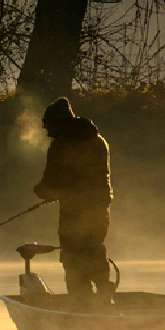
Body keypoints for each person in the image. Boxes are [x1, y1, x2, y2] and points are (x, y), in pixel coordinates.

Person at [34, 97, 114, 309]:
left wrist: (42, 191)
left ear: (60, 123)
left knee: (72, 253)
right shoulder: (98, 141)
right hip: (100, 206)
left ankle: (82, 303)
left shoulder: (60, 146)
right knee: (94, 248)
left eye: (48, 124)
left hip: (73, 209)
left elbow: (51, 181)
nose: (46, 130)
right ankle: (105, 292)